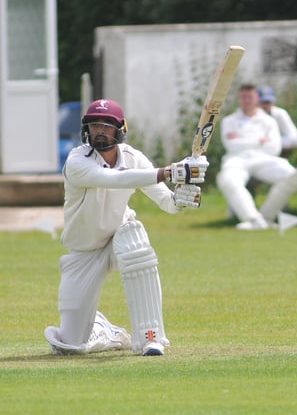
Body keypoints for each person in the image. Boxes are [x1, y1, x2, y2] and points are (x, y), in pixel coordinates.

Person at [44, 99, 209, 356]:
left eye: (106, 126)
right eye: (94, 125)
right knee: (70, 345)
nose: (99, 131)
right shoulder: (77, 161)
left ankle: (150, 338)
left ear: (120, 129)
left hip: (119, 235)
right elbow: (115, 179)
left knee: (136, 242)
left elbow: (166, 202)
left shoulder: (134, 158)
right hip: (84, 251)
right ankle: (103, 330)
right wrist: (169, 171)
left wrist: (181, 196)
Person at [217, 83, 297, 230]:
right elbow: (231, 146)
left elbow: (274, 148)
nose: (247, 100)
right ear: (239, 99)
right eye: (243, 97)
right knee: (227, 179)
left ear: (256, 98)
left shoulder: (268, 121)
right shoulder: (229, 121)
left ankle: (265, 217)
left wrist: (241, 140)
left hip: (263, 158)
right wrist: (259, 140)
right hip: (237, 160)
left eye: (250, 97)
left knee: (291, 174)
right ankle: (252, 218)